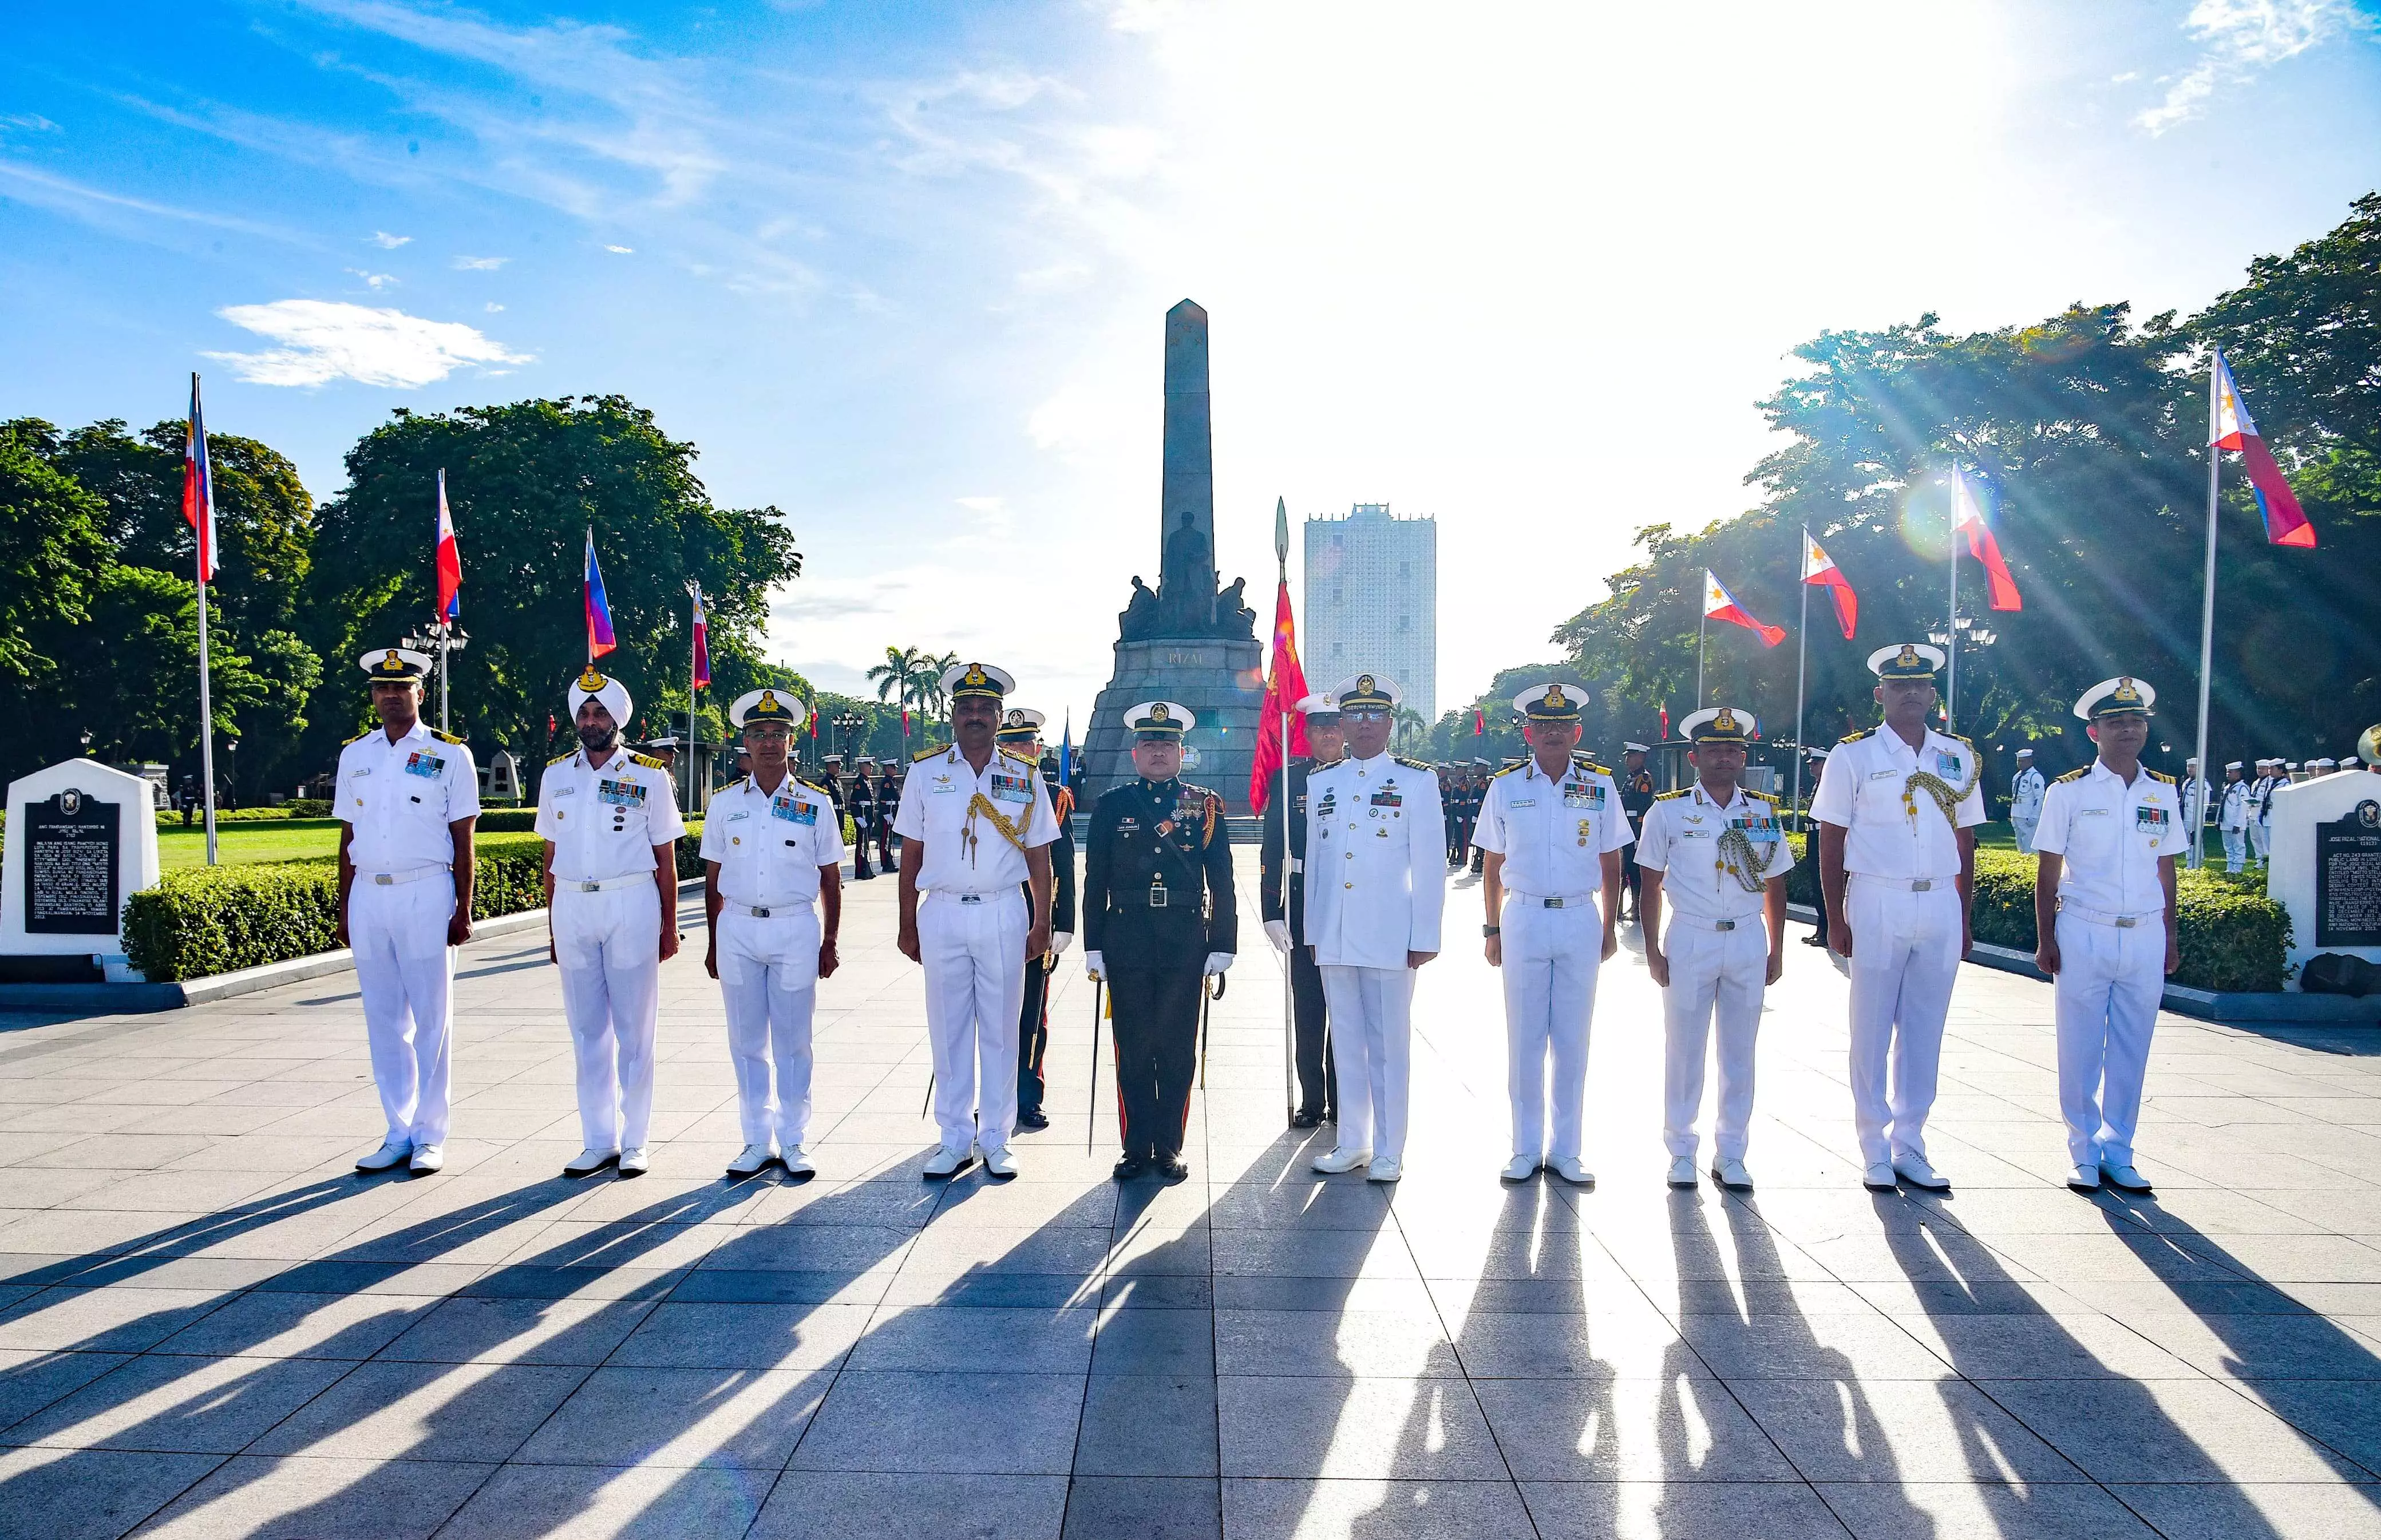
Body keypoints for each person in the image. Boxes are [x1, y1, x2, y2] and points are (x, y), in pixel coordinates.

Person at [1812, 643, 1983, 1193]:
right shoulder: (1853, 756)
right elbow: (1831, 837)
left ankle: (1911, 1143)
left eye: (1921, 684)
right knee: (1872, 1025)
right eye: (1899, 683)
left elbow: (1966, 837)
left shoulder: (1956, 755)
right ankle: (1874, 1145)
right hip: (1877, 897)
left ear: (1933, 694)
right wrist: (1835, 914)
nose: (1911, 692)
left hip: (1939, 899)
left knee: (1925, 1027)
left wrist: (1966, 910)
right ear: (1880, 693)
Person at [893, 662, 1061, 1179]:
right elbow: (911, 854)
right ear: (953, 714)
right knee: (948, 1030)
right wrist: (907, 922)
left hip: (1002, 911)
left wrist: (1042, 923)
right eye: (966, 707)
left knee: (1002, 1030)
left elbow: (1040, 857)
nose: (975, 716)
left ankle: (997, 1137)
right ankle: (954, 1137)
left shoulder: (1024, 775)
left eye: (985, 708)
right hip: (941, 911)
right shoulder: (925, 772)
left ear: (999, 715)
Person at [2034, 678, 2185, 1194]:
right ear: (2093, 731)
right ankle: (2082, 1151)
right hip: (2085, 931)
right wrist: (2045, 937)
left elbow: (2165, 868)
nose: (2128, 729)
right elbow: (2048, 868)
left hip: (2144, 932)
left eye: (2136, 720)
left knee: (2132, 1046)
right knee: (2079, 1047)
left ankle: (2119, 1149)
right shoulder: (2068, 790)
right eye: (2117, 721)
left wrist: (2171, 934)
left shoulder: (2162, 790)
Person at [1473, 683, 1628, 1185]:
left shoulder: (1601, 786)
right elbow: (1493, 862)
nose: (1554, 733)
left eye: (1563, 726)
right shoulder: (1507, 786)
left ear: (1577, 731)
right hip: (1524, 918)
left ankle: (1567, 1149)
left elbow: (1612, 860)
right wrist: (1492, 927)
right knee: (1524, 1037)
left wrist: (1609, 925)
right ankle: (1523, 1146)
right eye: (1544, 726)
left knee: (1573, 1037)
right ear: (1529, 733)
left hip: (1580, 916)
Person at [1635, 707, 1794, 1191]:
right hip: (1691, 935)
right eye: (1714, 750)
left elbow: (1776, 884)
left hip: (1746, 935)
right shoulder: (1668, 810)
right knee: (1684, 1049)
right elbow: (1648, 881)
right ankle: (1681, 1149)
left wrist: (1777, 949)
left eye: (1733, 749)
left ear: (1743, 755)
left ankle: (1733, 1152)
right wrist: (1652, 950)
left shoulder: (1762, 812)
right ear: (1695, 756)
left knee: (1740, 1051)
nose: (1725, 757)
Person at [537, 667, 687, 1178]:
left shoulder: (648, 774)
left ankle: (635, 1139)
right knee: (586, 1030)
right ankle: (597, 1139)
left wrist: (669, 926)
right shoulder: (556, 774)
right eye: (584, 712)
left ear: (617, 720)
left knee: (635, 1029)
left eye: (600, 712)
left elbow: (664, 856)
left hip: (630, 902)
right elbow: (550, 852)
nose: (591, 720)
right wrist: (553, 925)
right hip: (574, 904)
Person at [336, 647, 480, 1176]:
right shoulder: (356, 755)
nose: (391, 695)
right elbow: (348, 834)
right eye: (381, 688)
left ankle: (430, 1135)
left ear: (421, 692)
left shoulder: (450, 753)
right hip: (370, 893)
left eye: (401, 687)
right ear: (374, 695)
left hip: (427, 892)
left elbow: (463, 837)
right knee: (383, 1021)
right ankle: (398, 1130)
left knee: (432, 1020)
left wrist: (463, 907)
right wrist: (344, 905)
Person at [1082, 702, 1235, 1181]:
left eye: (1166, 744)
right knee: (1132, 1045)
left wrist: (1223, 941)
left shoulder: (1202, 804)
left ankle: (1168, 1144)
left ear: (1181, 752)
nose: (1158, 752)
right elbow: (1094, 880)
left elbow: (1223, 879)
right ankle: (1134, 1145)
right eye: (1149, 743)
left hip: (1184, 940)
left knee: (1175, 1047)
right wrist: (1093, 944)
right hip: (1125, 937)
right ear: (1134, 752)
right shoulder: (1113, 806)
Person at [1302, 673, 1446, 1182]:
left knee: (1388, 1045)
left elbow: (1429, 865)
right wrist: (1313, 927)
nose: (1365, 723)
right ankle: (1352, 1141)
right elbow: (1318, 862)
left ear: (1390, 722)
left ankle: (1389, 1148)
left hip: (1391, 934)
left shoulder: (1416, 781)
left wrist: (1424, 935)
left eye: (1375, 714)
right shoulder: (1322, 781)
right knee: (1345, 1039)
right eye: (1356, 714)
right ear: (1340, 722)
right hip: (1336, 933)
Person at [701, 688, 844, 1179]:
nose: (767, 743)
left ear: (791, 741)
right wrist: (714, 941)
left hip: (793, 927)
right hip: (738, 926)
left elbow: (831, 877)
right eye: (758, 734)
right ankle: (756, 1140)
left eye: (777, 734)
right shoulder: (723, 804)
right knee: (745, 1041)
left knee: (794, 1040)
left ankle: (795, 1138)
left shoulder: (814, 803)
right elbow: (713, 878)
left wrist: (831, 940)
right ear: (745, 741)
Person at [1261, 692, 1346, 1127]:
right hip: (1300, 896)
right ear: (1307, 734)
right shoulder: (1289, 779)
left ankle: (1341, 1096)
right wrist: (1270, 910)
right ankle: (1312, 1099)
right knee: (1309, 1005)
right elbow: (1272, 844)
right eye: (1320, 727)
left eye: (1335, 726)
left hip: (1348, 902)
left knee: (1346, 1005)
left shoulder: (1361, 777)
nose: (1329, 733)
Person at [999, 708, 1077, 1131]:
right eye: (1009, 743)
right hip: (990, 914)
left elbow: (1062, 861)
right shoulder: (984, 788)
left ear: (1039, 747)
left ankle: (1028, 1097)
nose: (1018, 750)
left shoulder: (1053, 795)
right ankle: (995, 1097)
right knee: (992, 1015)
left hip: (1034, 920)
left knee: (1031, 1015)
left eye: (1025, 742)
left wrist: (1062, 921)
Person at [1617, 743, 1655, 923]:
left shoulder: (1644, 779)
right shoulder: (1631, 778)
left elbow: (1643, 808)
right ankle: (1628, 907)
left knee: (1634, 872)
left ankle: (1636, 908)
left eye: (1631, 756)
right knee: (1627, 870)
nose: (1627, 760)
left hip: (1636, 830)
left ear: (1641, 758)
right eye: (1627, 756)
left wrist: (1640, 835)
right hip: (1628, 828)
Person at [2009, 747, 2046, 856]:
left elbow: (2039, 797)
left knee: (2029, 842)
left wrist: (2035, 816)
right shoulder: (2017, 776)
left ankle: (2030, 860)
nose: (2020, 764)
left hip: (2028, 813)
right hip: (2017, 813)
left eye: (2023, 761)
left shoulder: (2035, 777)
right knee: (2020, 841)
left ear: (2030, 761)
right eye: (2018, 761)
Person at [847, 758, 878, 880]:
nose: (871, 768)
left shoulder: (867, 781)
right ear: (863, 767)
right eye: (869, 766)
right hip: (863, 816)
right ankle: (861, 869)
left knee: (866, 843)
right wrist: (857, 817)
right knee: (862, 844)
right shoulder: (859, 782)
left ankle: (866, 867)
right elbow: (854, 802)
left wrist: (872, 819)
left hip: (868, 816)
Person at [2218, 761, 2252, 874]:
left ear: (2238, 774)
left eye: (2231, 772)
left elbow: (2244, 807)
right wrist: (2218, 820)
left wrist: (2238, 823)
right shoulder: (2227, 787)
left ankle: (2237, 869)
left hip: (2236, 824)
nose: (2228, 774)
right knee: (2228, 847)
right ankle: (2230, 867)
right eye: (2227, 772)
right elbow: (2222, 804)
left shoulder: (2242, 788)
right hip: (2226, 822)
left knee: (2238, 846)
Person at [2178, 757, 2211, 863]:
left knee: (2195, 841)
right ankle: (2190, 862)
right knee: (2187, 841)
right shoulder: (2186, 782)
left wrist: (2200, 818)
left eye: (2193, 767)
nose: (2190, 769)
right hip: (2185, 816)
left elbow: (2205, 804)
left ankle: (2197, 862)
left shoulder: (2203, 784)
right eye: (2189, 766)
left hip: (2195, 817)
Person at [2246, 759, 2276, 869]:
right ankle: (2259, 859)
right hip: (2253, 813)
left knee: (2264, 838)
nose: (2260, 771)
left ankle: (2266, 860)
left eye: (2263, 769)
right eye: (2259, 768)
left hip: (2263, 813)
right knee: (2255, 839)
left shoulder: (2270, 782)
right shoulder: (2255, 783)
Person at [875, 760, 901, 870]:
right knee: (885, 839)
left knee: (888, 839)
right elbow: (883, 800)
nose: (895, 770)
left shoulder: (892, 781)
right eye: (893, 768)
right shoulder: (886, 782)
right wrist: (886, 813)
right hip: (887, 813)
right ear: (887, 769)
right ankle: (886, 863)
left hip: (892, 812)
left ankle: (889, 861)